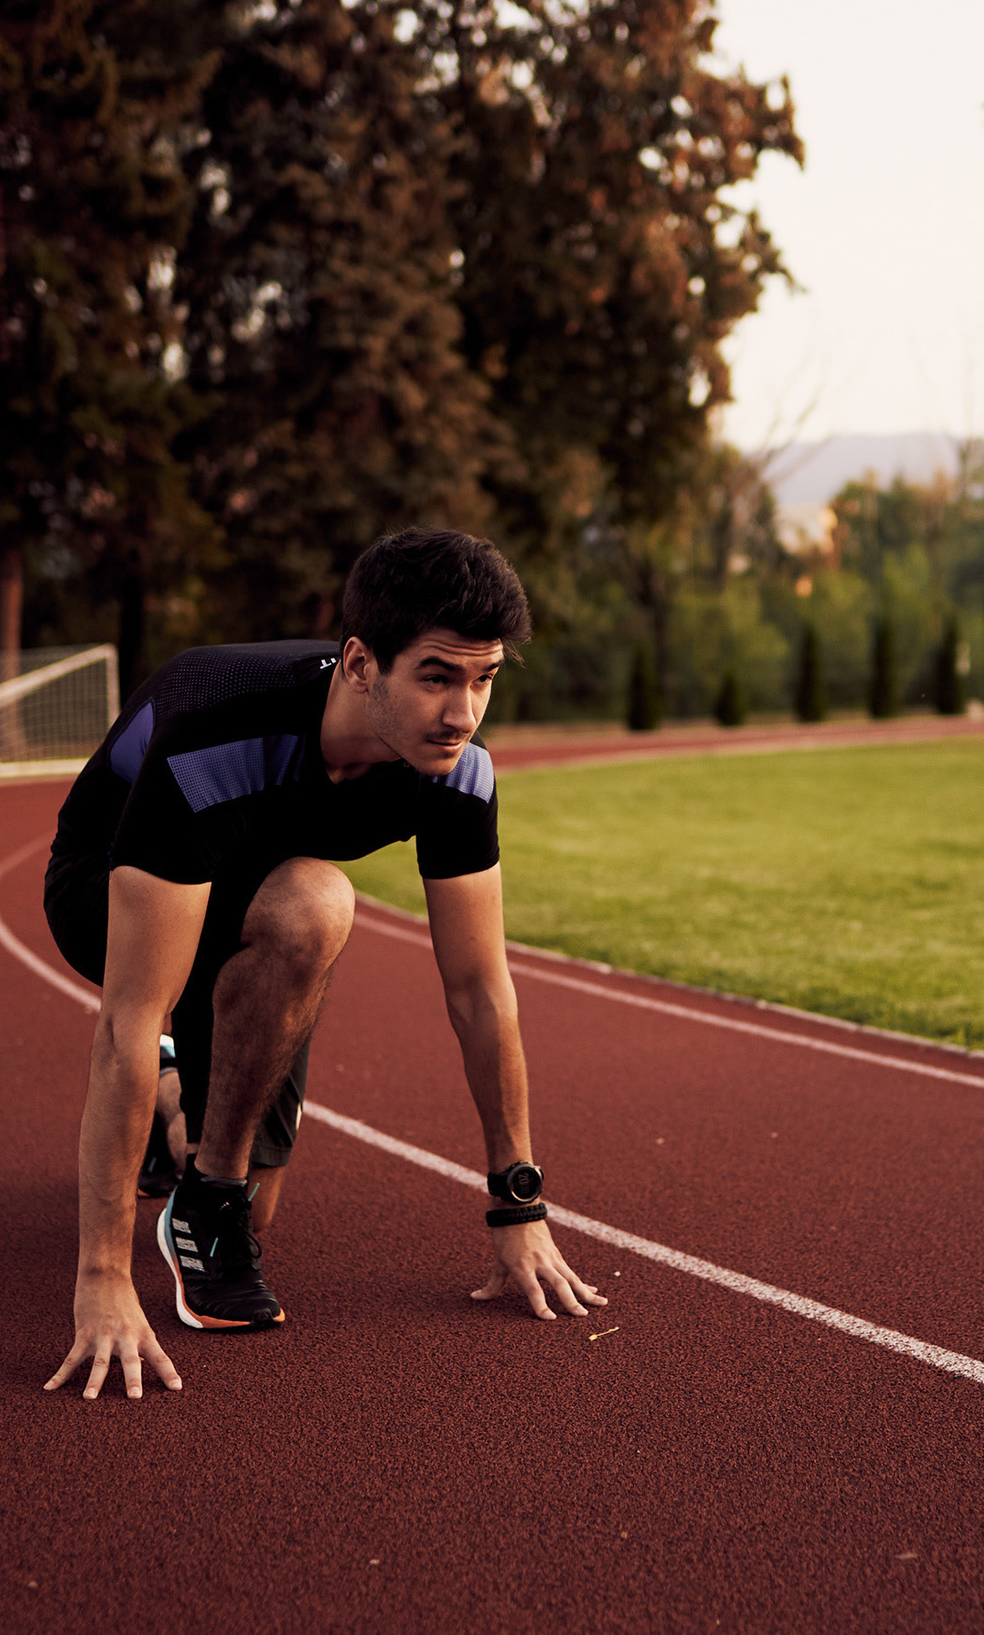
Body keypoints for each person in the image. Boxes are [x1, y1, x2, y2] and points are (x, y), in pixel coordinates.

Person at [40, 528, 606, 1401]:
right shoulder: (210, 738)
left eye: (484, 679)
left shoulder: (458, 773)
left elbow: (481, 992)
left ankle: (184, 1125)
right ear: (359, 664)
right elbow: (126, 1019)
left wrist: (517, 1204)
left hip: (250, 897)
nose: (463, 711)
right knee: (315, 904)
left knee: (298, 931)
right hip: (113, 884)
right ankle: (203, 1181)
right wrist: (103, 1278)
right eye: (436, 676)